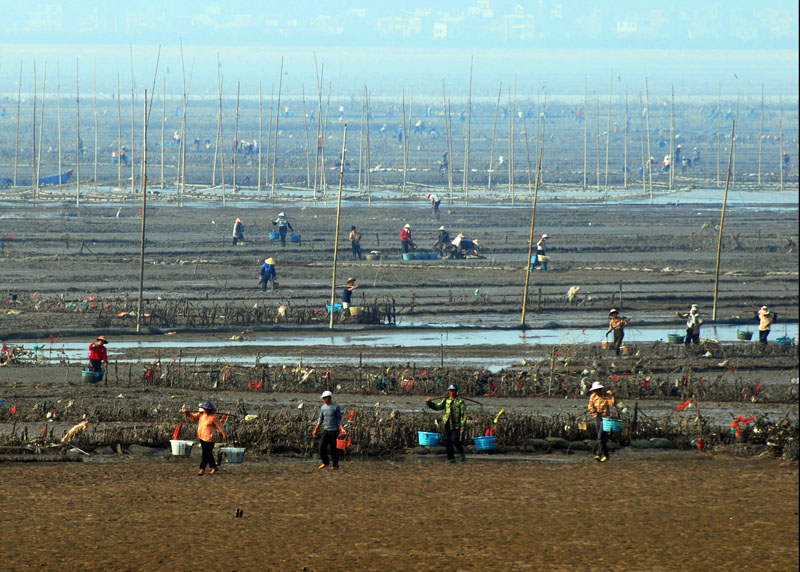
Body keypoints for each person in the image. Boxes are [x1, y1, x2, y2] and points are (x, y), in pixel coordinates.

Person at [182, 401, 227, 476]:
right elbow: (193, 417)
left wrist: (224, 434)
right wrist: (187, 413)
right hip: (202, 436)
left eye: (206, 409)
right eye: (204, 408)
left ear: (210, 410)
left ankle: (202, 469)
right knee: (208, 454)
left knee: (205, 454)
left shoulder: (213, 417)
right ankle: (214, 467)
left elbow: (220, 426)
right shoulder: (201, 415)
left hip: (210, 438)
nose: (205, 410)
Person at [426, 384, 467, 463]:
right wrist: (430, 403)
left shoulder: (460, 402)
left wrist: (462, 426)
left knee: (454, 440)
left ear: (456, 391)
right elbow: (438, 407)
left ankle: (462, 451)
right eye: (450, 391)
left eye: (453, 391)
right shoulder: (446, 400)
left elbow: (464, 415)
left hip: (456, 424)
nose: (451, 392)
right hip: (447, 423)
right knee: (447, 441)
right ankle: (451, 458)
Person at [312, 390, 346, 470]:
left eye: (325, 398)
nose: (324, 400)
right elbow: (320, 419)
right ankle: (325, 462)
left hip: (334, 431)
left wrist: (342, 429)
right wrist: (315, 430)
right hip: (326, 430)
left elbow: (339, 419)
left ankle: (335, 465)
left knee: (334, 448)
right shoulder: (323, 407)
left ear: (329, 398)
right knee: (321, 447)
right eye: (323, 398)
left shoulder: (336, 407)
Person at [587, 381, 616, 462]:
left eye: (598, 389)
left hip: (605, 418)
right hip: (597, 417)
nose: (597, 391)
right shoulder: (593, 397)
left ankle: (598, 454)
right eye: (595, 390)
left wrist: (612, 395)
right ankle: (606, 455)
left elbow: (612, 404)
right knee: (602, 438)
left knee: (600, 436)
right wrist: (593, 410)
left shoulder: (606, 396)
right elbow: (590, 407)